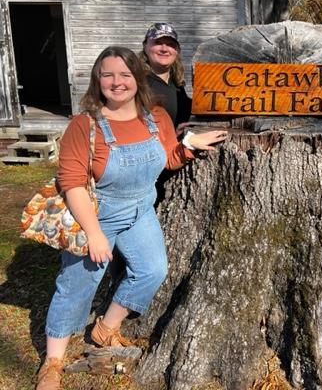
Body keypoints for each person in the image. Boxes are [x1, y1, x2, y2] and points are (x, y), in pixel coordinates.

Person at [35, 46, 228, 390]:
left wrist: (190, 144)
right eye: (107, 74)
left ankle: (105, 328)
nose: (116, 82)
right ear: (97, 81)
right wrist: (93, 233)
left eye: (125, 75)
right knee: (76, 287)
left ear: (138, 80)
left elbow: (167, 158)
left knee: (153, 270)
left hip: (141, 209)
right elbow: (73, 182)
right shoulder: (85, 125)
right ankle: (53, 362)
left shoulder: (156, 117)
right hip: (98, 215)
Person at [140, 22, 192, 130]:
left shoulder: (177, 84)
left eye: (170, 44)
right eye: (158, 42)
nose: (164, 49)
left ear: (176, 50)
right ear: (145, 46)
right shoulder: (137, 82)